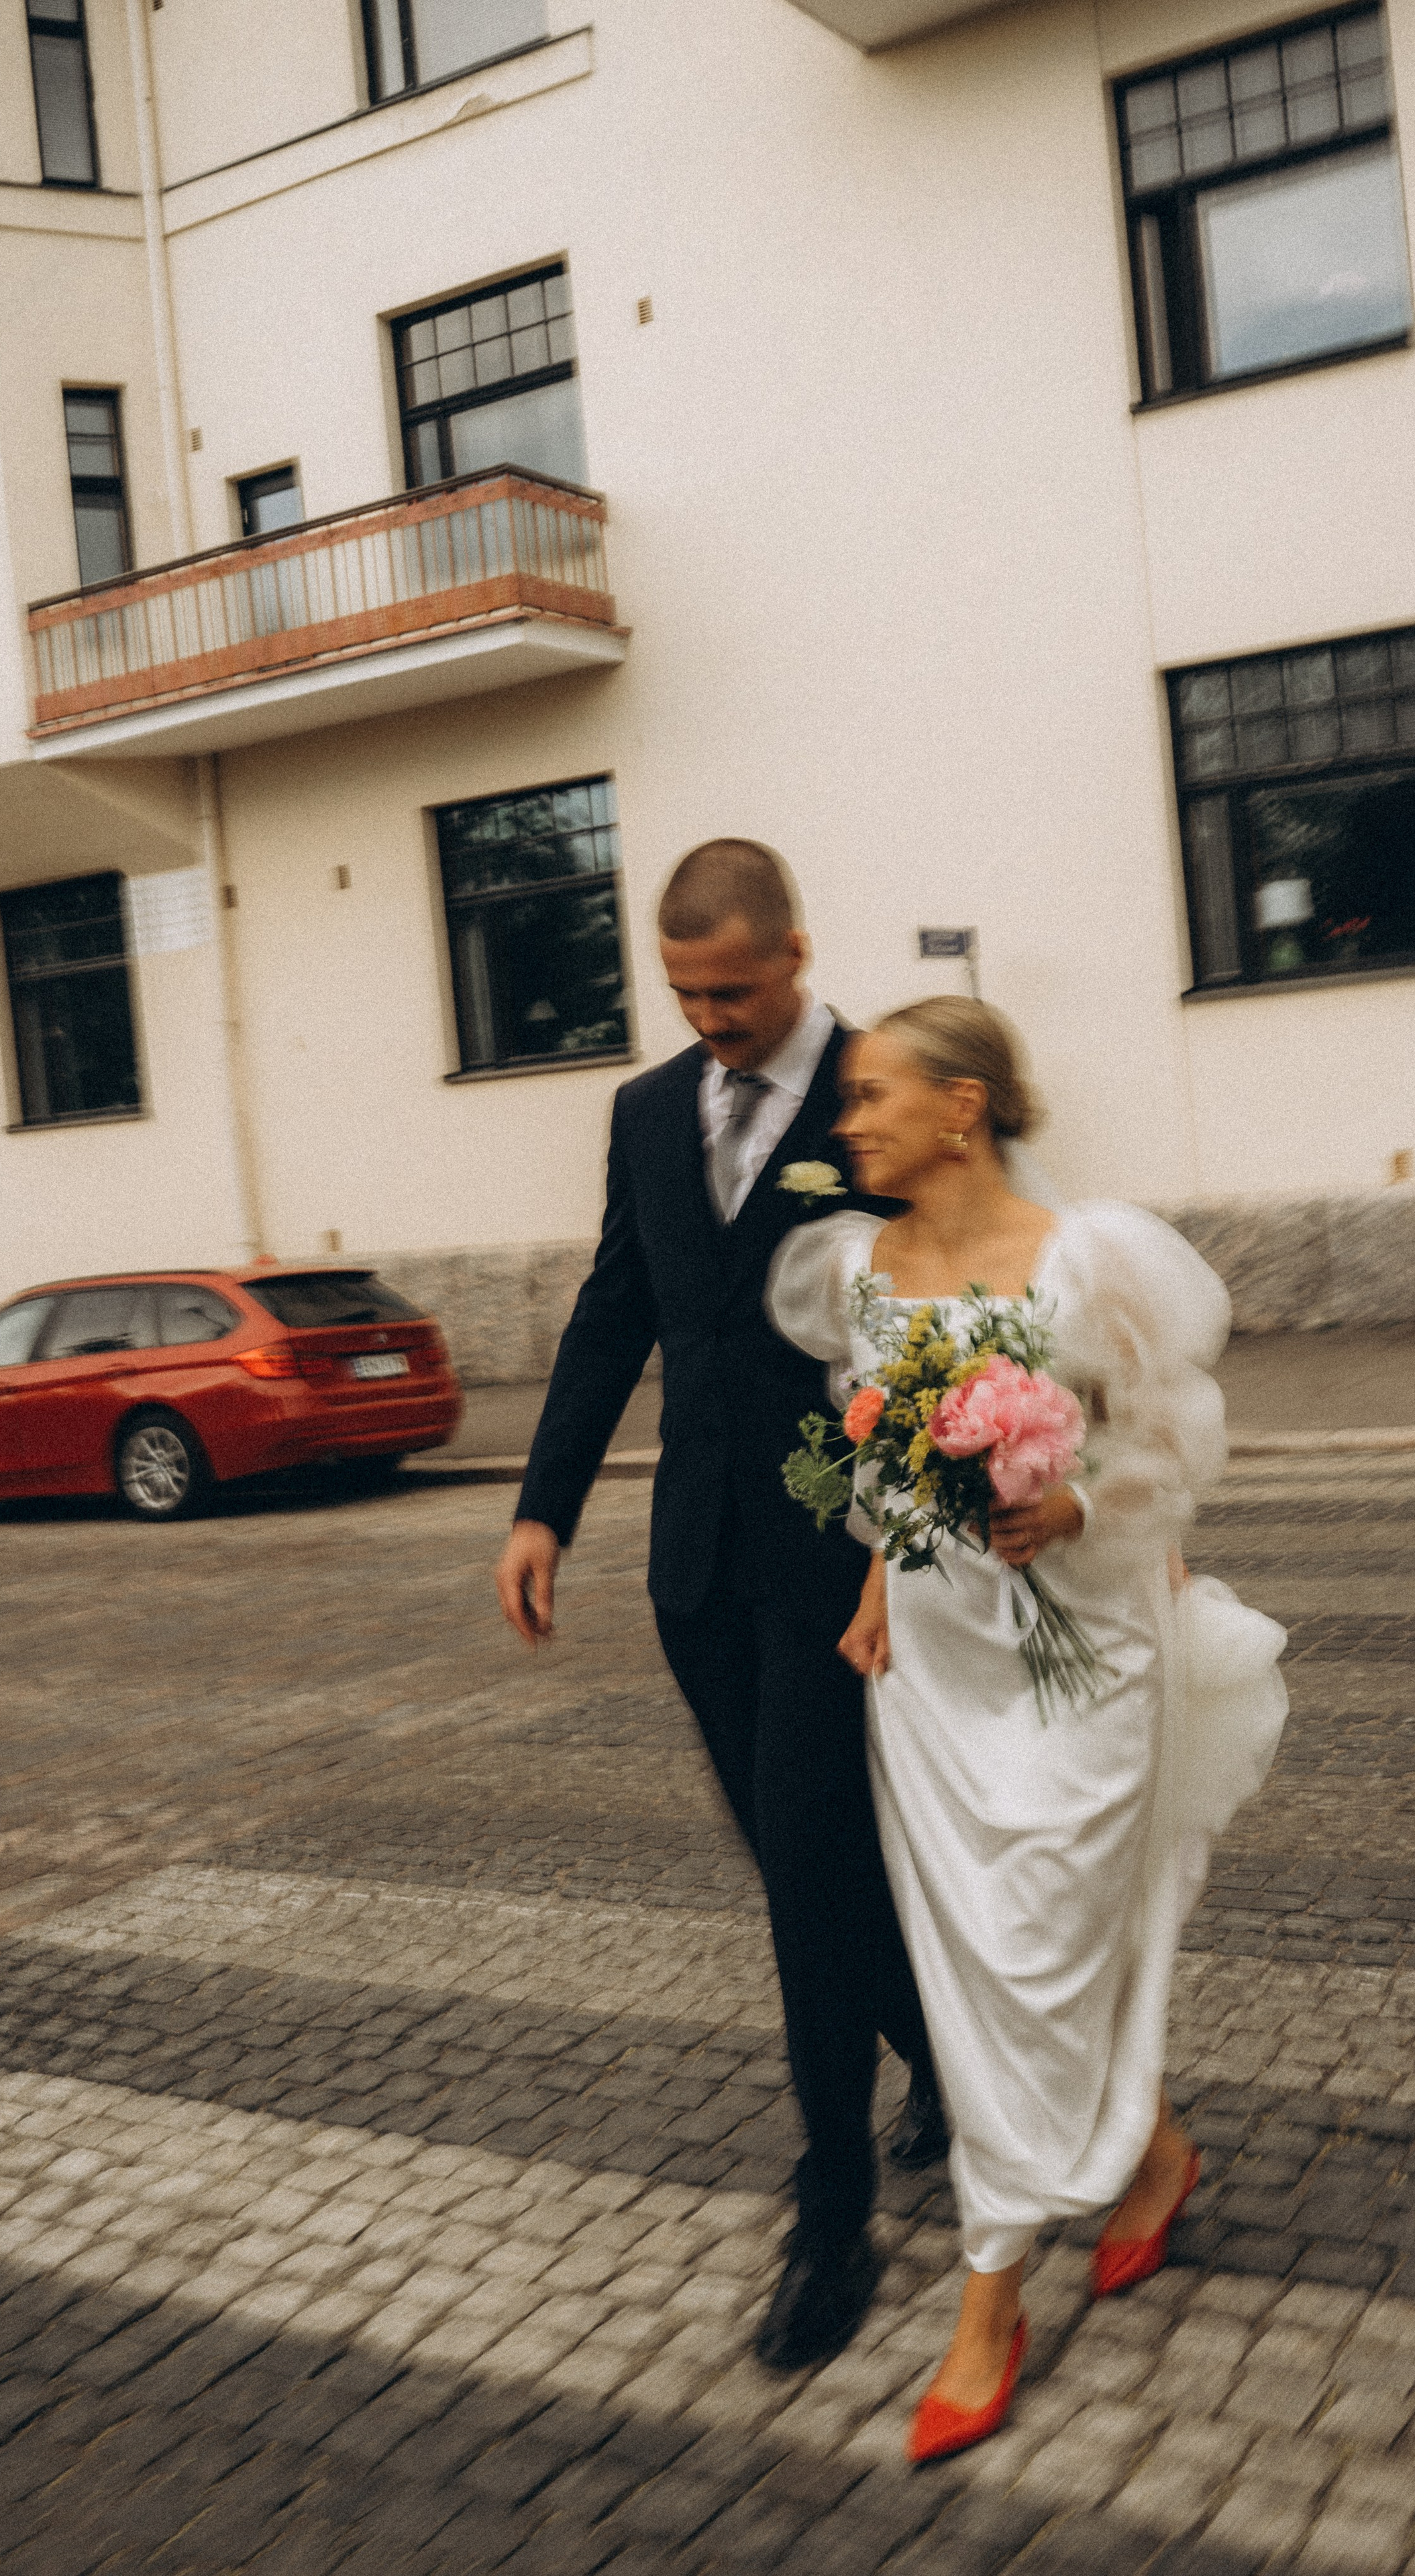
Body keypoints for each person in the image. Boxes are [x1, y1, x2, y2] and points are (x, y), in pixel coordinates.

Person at [766, 996, 1287, 2462]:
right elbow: (886, 1452)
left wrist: (1071, 1501)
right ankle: (1152, 2153)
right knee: (984, 1962)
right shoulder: (859, 1267)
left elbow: (1170, 1442)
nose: (846, 1120)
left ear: (964, 1106)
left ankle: (986, 2301)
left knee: (1042, 1930)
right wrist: (876, 1576)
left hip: (1079, 1649)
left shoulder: (1083, 1260)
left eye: (872, 1095)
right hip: (935, 1662)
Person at [496, 840, 946, 2371]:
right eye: (685, 993)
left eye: (735, 991)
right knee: (792, 1861)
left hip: (845, 1560)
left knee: (809, 1859)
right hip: (696, 1563)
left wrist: (929, 1509)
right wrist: (542, 1504)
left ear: (798, 954)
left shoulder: (884, 1085)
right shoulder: (640, 1112)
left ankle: (830, 2214)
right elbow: (617, 1304)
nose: (710, 1021)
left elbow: (944, 1284)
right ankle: (942, 2051)